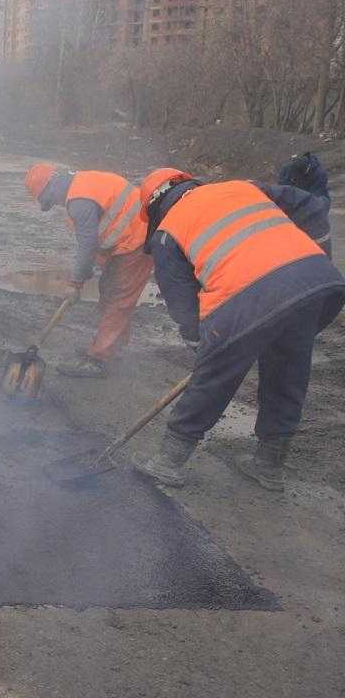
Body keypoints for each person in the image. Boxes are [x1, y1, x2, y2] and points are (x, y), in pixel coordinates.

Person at [131, 167, 344, 491]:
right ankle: (269, 465)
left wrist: (199, 344)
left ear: (155, 207)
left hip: (248, 295)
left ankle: (167, 461)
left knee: (213, 379)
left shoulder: (166, 232)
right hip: (315, 284)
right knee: (288, 373)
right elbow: (314, 205)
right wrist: (317, 257)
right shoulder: (243, 185)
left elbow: (182, 304)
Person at [23, 163, 154, 377]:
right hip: (127, 240)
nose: (55, 204)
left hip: (138, 240)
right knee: (110, 292)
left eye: (50, 200)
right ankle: (113, 347)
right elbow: (100, 233)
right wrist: (85, 273)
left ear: (52, 188)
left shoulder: (79, 202)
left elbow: (87, 244)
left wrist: (75, 283)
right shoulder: (82, 185)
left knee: (118, 299)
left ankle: (99, 359)